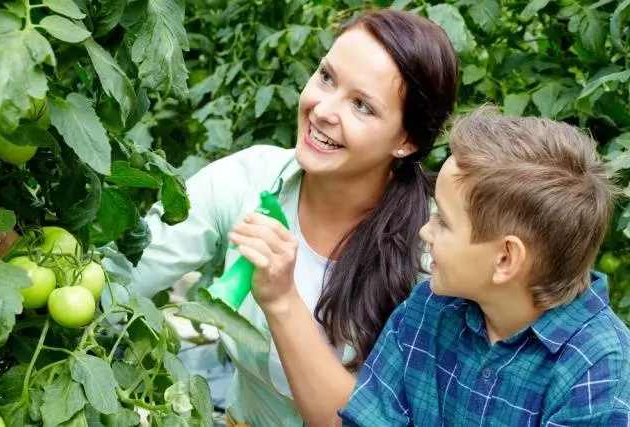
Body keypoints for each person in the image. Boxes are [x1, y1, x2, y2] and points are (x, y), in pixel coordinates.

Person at [103, 8, 458, 426]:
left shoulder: (436, 248)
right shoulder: (247, 181)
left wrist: (282, 299)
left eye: (362, 105)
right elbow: (121, 275)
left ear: (406, 140)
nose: (324, 109)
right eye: (327, 77)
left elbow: (368, 419)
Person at [339, 109, 630, 426]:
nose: (425, 230)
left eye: (444, 222)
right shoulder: (425, 311)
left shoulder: (598, 369)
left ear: (505, 259)